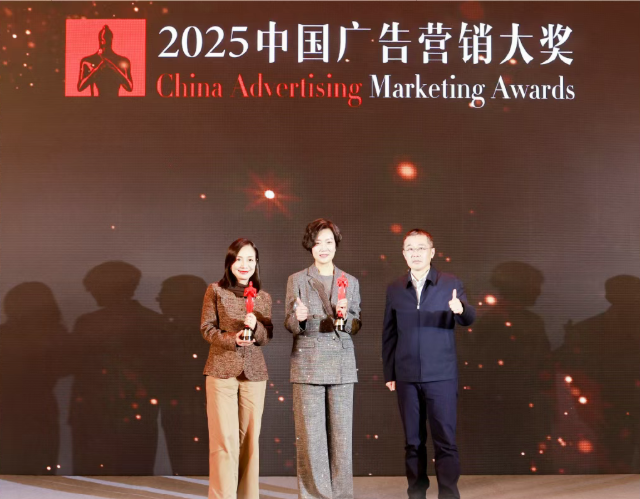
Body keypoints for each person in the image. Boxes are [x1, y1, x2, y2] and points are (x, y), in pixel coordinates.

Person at [382, 229, 475, 499]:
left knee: (445, 441)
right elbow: (389, 334)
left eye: (421, 248)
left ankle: (448, 494)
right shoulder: (395, 288)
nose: (415, 253)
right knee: (413, 442)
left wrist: (461, 309)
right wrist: (390, 372)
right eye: (410, 248)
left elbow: (468, 317)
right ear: (404, 254)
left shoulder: (450, 283)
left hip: (442, 375)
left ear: (432, 252)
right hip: (406, 376)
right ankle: (416, 494)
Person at [284, 218, 361, 499]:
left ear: (336, 245)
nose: (324, 248)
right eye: (318, 243)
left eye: (329, 242)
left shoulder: (350, 281)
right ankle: (315, 495)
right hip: (307, 361)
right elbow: (289, 323)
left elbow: (356, 324)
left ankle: (341, 495)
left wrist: (345, 316)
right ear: (310, 246)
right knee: (311, 436)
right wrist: (299, 318)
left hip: (341, 361)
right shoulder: (297, 280)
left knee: (341, 436)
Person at [201, 238, 273, 499]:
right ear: (230, 262)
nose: (245, 265)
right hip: (221, 371)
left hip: (254, 375)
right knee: (224, 441)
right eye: (239, 259)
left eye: (250, 259)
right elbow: (207, 328)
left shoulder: (263, 297)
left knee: (250, 442)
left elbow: (266, 337)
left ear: (256, 263)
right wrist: (233, 338)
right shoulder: (215, 291)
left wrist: (256, 327)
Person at [77, 25, 133, 97]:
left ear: (111, 39)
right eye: (104, 39)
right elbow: (80, 87)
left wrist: (113, 67)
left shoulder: (122, 60)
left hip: (115, 102)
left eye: (107, 39)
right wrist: (98, 68)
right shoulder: (88, 61)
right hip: (96, 102)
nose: (105, 42)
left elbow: (129, 87)